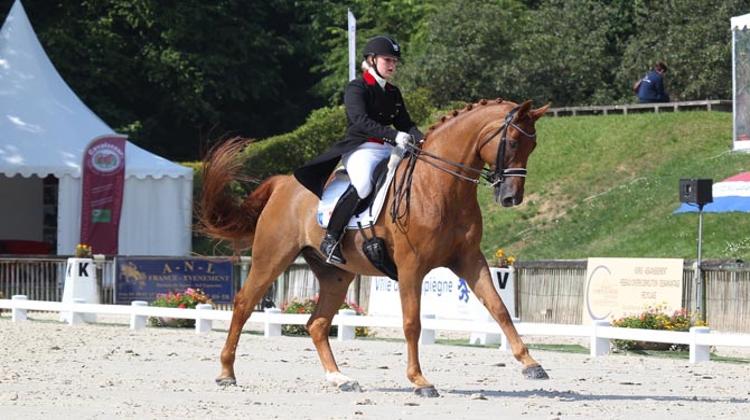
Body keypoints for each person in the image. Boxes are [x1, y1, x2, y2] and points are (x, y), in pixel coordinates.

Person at [293, 35, 424, 264]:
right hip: (362, 149)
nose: (392, 65)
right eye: (387, 60)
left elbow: (406, 124)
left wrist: (424, 141)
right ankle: (331, 239)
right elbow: (360, 120)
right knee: (363, 184)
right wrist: (394, 135)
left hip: (388, 150)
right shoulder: (357, 87)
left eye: (395, 61)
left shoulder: (393, 92)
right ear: (372, 60)